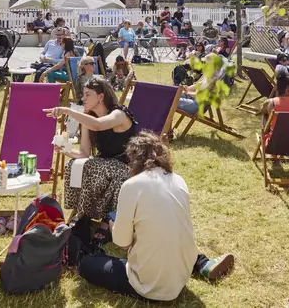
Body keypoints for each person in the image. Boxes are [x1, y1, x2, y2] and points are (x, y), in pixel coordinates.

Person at [76, 132, 234, 300]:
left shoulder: (131, 185)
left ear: (133, 159)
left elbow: (122, 243)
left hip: (149, 285)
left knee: (87, 265)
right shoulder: (179, 180)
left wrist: (114, 226)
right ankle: (201, 264)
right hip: (182, 275)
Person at [47, 77, 139, 222]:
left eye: (88, 94)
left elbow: (98, 125)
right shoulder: (89, 118)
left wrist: (67, 111)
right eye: (83, 94)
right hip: (104, 164)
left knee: (92, 166)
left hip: (127, 166)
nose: (83, 98)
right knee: (73, 164)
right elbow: (84, 153)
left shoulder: (119, 114)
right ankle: (83, 214)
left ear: (101, 97)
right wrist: (64, 149)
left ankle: (89, 216)